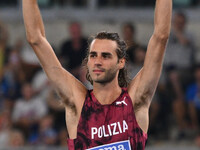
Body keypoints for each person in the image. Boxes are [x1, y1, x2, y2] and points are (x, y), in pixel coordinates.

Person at [22, 0, 172, 149]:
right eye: (93, 55)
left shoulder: (134, 101)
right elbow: (36, 40)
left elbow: (161, 37)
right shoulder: (78, 102)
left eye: (105, 56)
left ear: (121, 62)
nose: (97, 62)